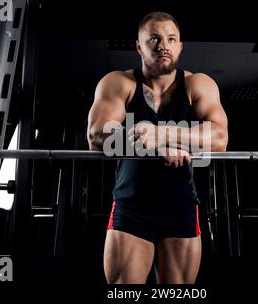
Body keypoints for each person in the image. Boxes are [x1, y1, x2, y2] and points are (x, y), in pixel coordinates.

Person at [87, 11, 228, 284]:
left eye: (171, 39)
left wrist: (159, 134)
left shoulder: (197, 84)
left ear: (180, 46)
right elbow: (96, 136)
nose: (163, 45)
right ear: (139, 46)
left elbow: (219, 138)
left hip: (181, 207)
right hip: (131, 206)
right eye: (154, 39)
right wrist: (156, 147)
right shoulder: (119, 83)